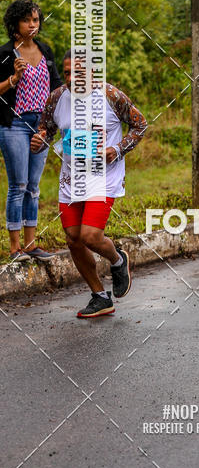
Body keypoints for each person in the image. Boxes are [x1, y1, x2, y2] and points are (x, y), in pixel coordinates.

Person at [31, 51, 147, 318]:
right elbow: (44, 130)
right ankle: (99, 296)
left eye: (79, 73)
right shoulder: (57, 98)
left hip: (103, 177)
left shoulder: (110, 96)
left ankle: (118, 261)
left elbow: (140, 125)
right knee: (73, 239)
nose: (72, 79)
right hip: (72, 178)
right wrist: (39, 141)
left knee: (90, 236)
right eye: (68, 73)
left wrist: (117, 149)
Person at [0, 0, 62, 262]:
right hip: (14, 124)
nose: (33, 25)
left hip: (40, 126)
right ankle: (15, 249)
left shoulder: (45, 51)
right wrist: (13, 78)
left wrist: (48, 128)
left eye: (36, 20)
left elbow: (57, 88)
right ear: (16, 24)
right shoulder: (4, 53)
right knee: (19, 185)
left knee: (34, 187)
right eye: (27, 20)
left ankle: (31, 244)